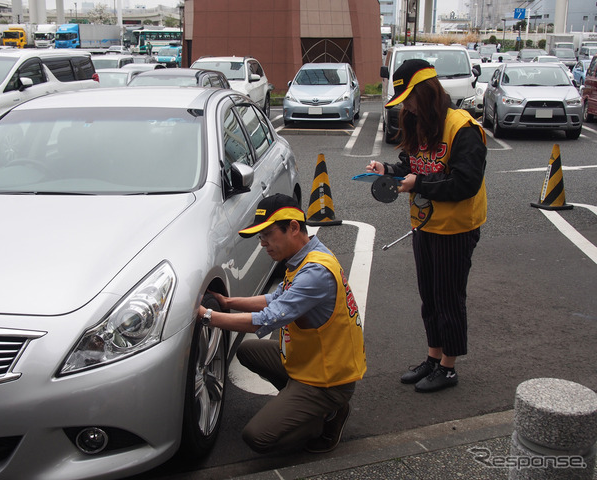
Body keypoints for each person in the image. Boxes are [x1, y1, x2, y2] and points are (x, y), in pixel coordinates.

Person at [197, 193, 366, 453]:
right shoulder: (306, 255)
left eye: (268, 234)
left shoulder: (315, 273)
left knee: (257, 437)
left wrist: (209, 316)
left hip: (327, 379)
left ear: (294, 228)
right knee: (247, 351)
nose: (262, 243)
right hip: (311, 362)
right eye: (260, 237)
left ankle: (325, 416)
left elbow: (266, 319)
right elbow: (277, 297)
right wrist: (229, 303)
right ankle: (300, 404)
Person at [367, 59, 487, 393]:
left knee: (448, 297)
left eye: (410, 98)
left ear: (427, 92)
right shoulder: (420, 124)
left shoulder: (462, 128)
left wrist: (416, 184)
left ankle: (448, 368)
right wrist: (387, 170)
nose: (407, 106)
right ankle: (433, 358)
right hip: (425, 224)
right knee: (429, 297)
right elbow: (411, 165)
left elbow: (466, 183)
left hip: (457, 228)